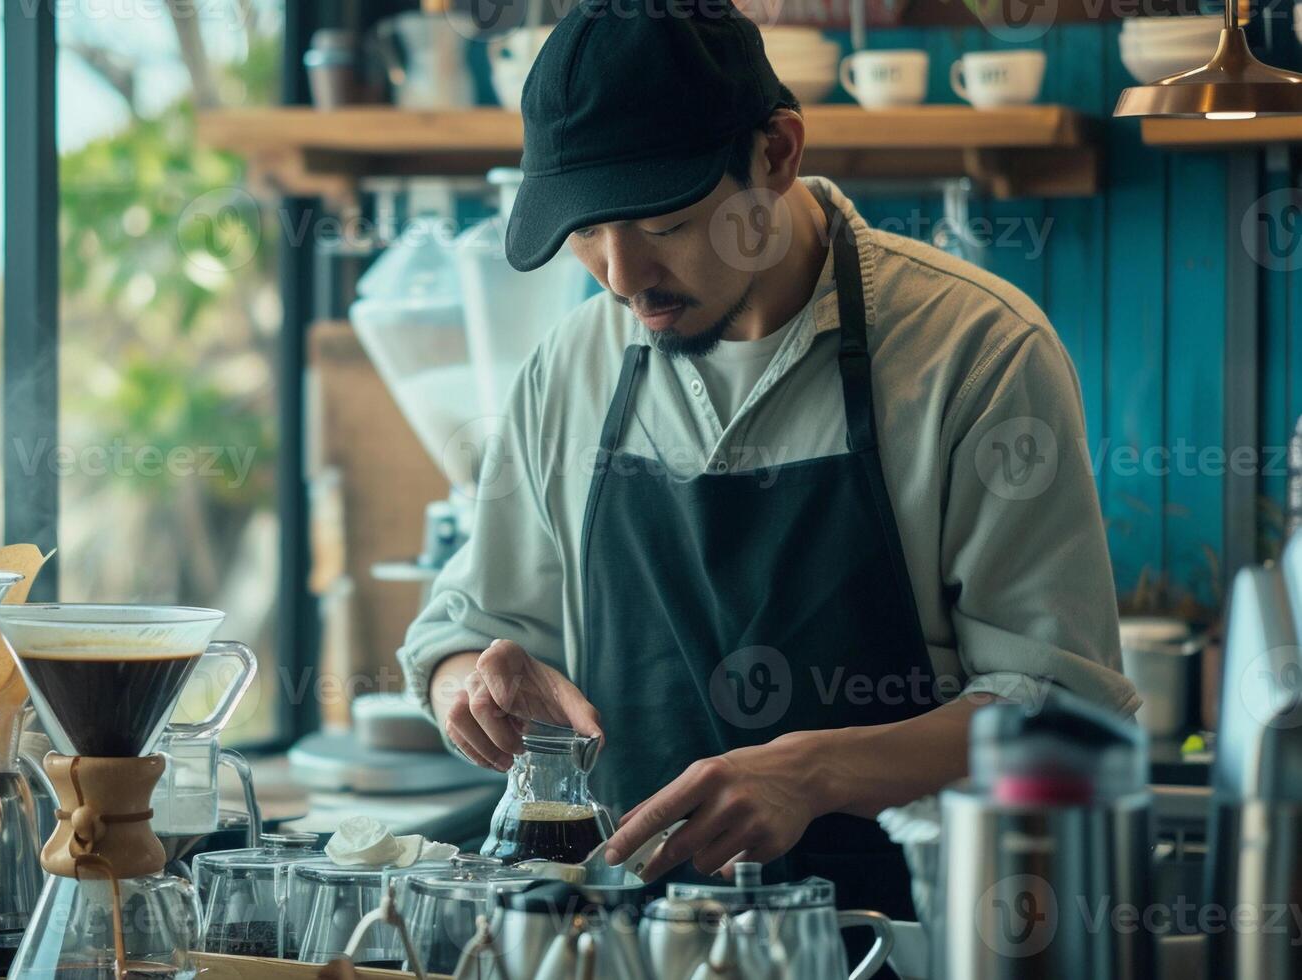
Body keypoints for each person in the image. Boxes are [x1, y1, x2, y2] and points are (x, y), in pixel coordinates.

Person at [395, 0, 1137, 919]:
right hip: (626, 936)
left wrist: (819, 770)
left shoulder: (974, 352)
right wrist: (468, 684)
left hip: (894, 936)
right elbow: (464, 624)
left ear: (776, 153)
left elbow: (1064, 711)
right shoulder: (572, 364)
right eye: (585, 232)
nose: (622, 278)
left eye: (661, 223)